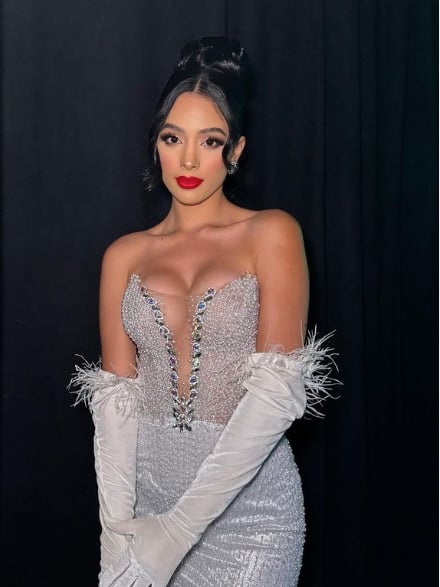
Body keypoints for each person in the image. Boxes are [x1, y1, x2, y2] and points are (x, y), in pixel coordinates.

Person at [71, 37, 336, 587]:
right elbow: (115, 412)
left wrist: (176, 535)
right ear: (156, 145)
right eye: (173, 138)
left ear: (236, 151)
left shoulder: (271, 233)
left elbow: (273, 400)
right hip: (146, 510)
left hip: (251, 520)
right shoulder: (124, 255)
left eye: (210, 141)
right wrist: (114, 540)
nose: (189, 160)